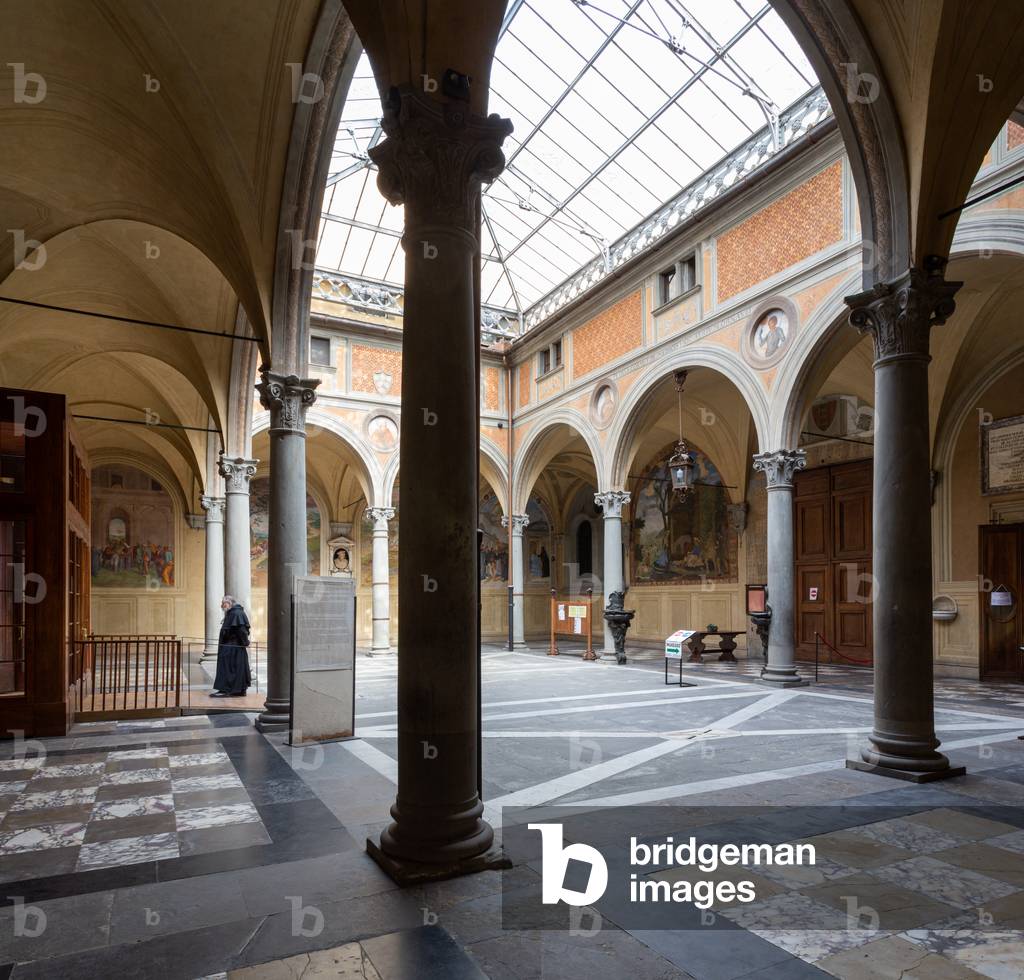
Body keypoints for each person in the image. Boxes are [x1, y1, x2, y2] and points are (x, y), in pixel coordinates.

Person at [212, 595, 252, 697]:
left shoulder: (237, 613)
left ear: (229, 603)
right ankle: (230, 689)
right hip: (229, 647)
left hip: (234, 647)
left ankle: (230, 690)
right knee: (229, 668)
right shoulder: (231, 613)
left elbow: (242, 630)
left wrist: (245, 642)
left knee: (232, 669)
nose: (222, 605)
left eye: (223, 603)